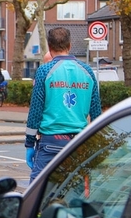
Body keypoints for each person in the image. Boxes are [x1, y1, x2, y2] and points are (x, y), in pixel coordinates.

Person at [25, 27, 102, 181]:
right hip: (78, 143)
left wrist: (29, 143)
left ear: (49, 46)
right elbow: (96, 113)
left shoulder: (44, 71)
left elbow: (36, 110)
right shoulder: (87, 71)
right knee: (74, 190)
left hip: (51, 142)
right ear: (70, 45)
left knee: (39, 192)